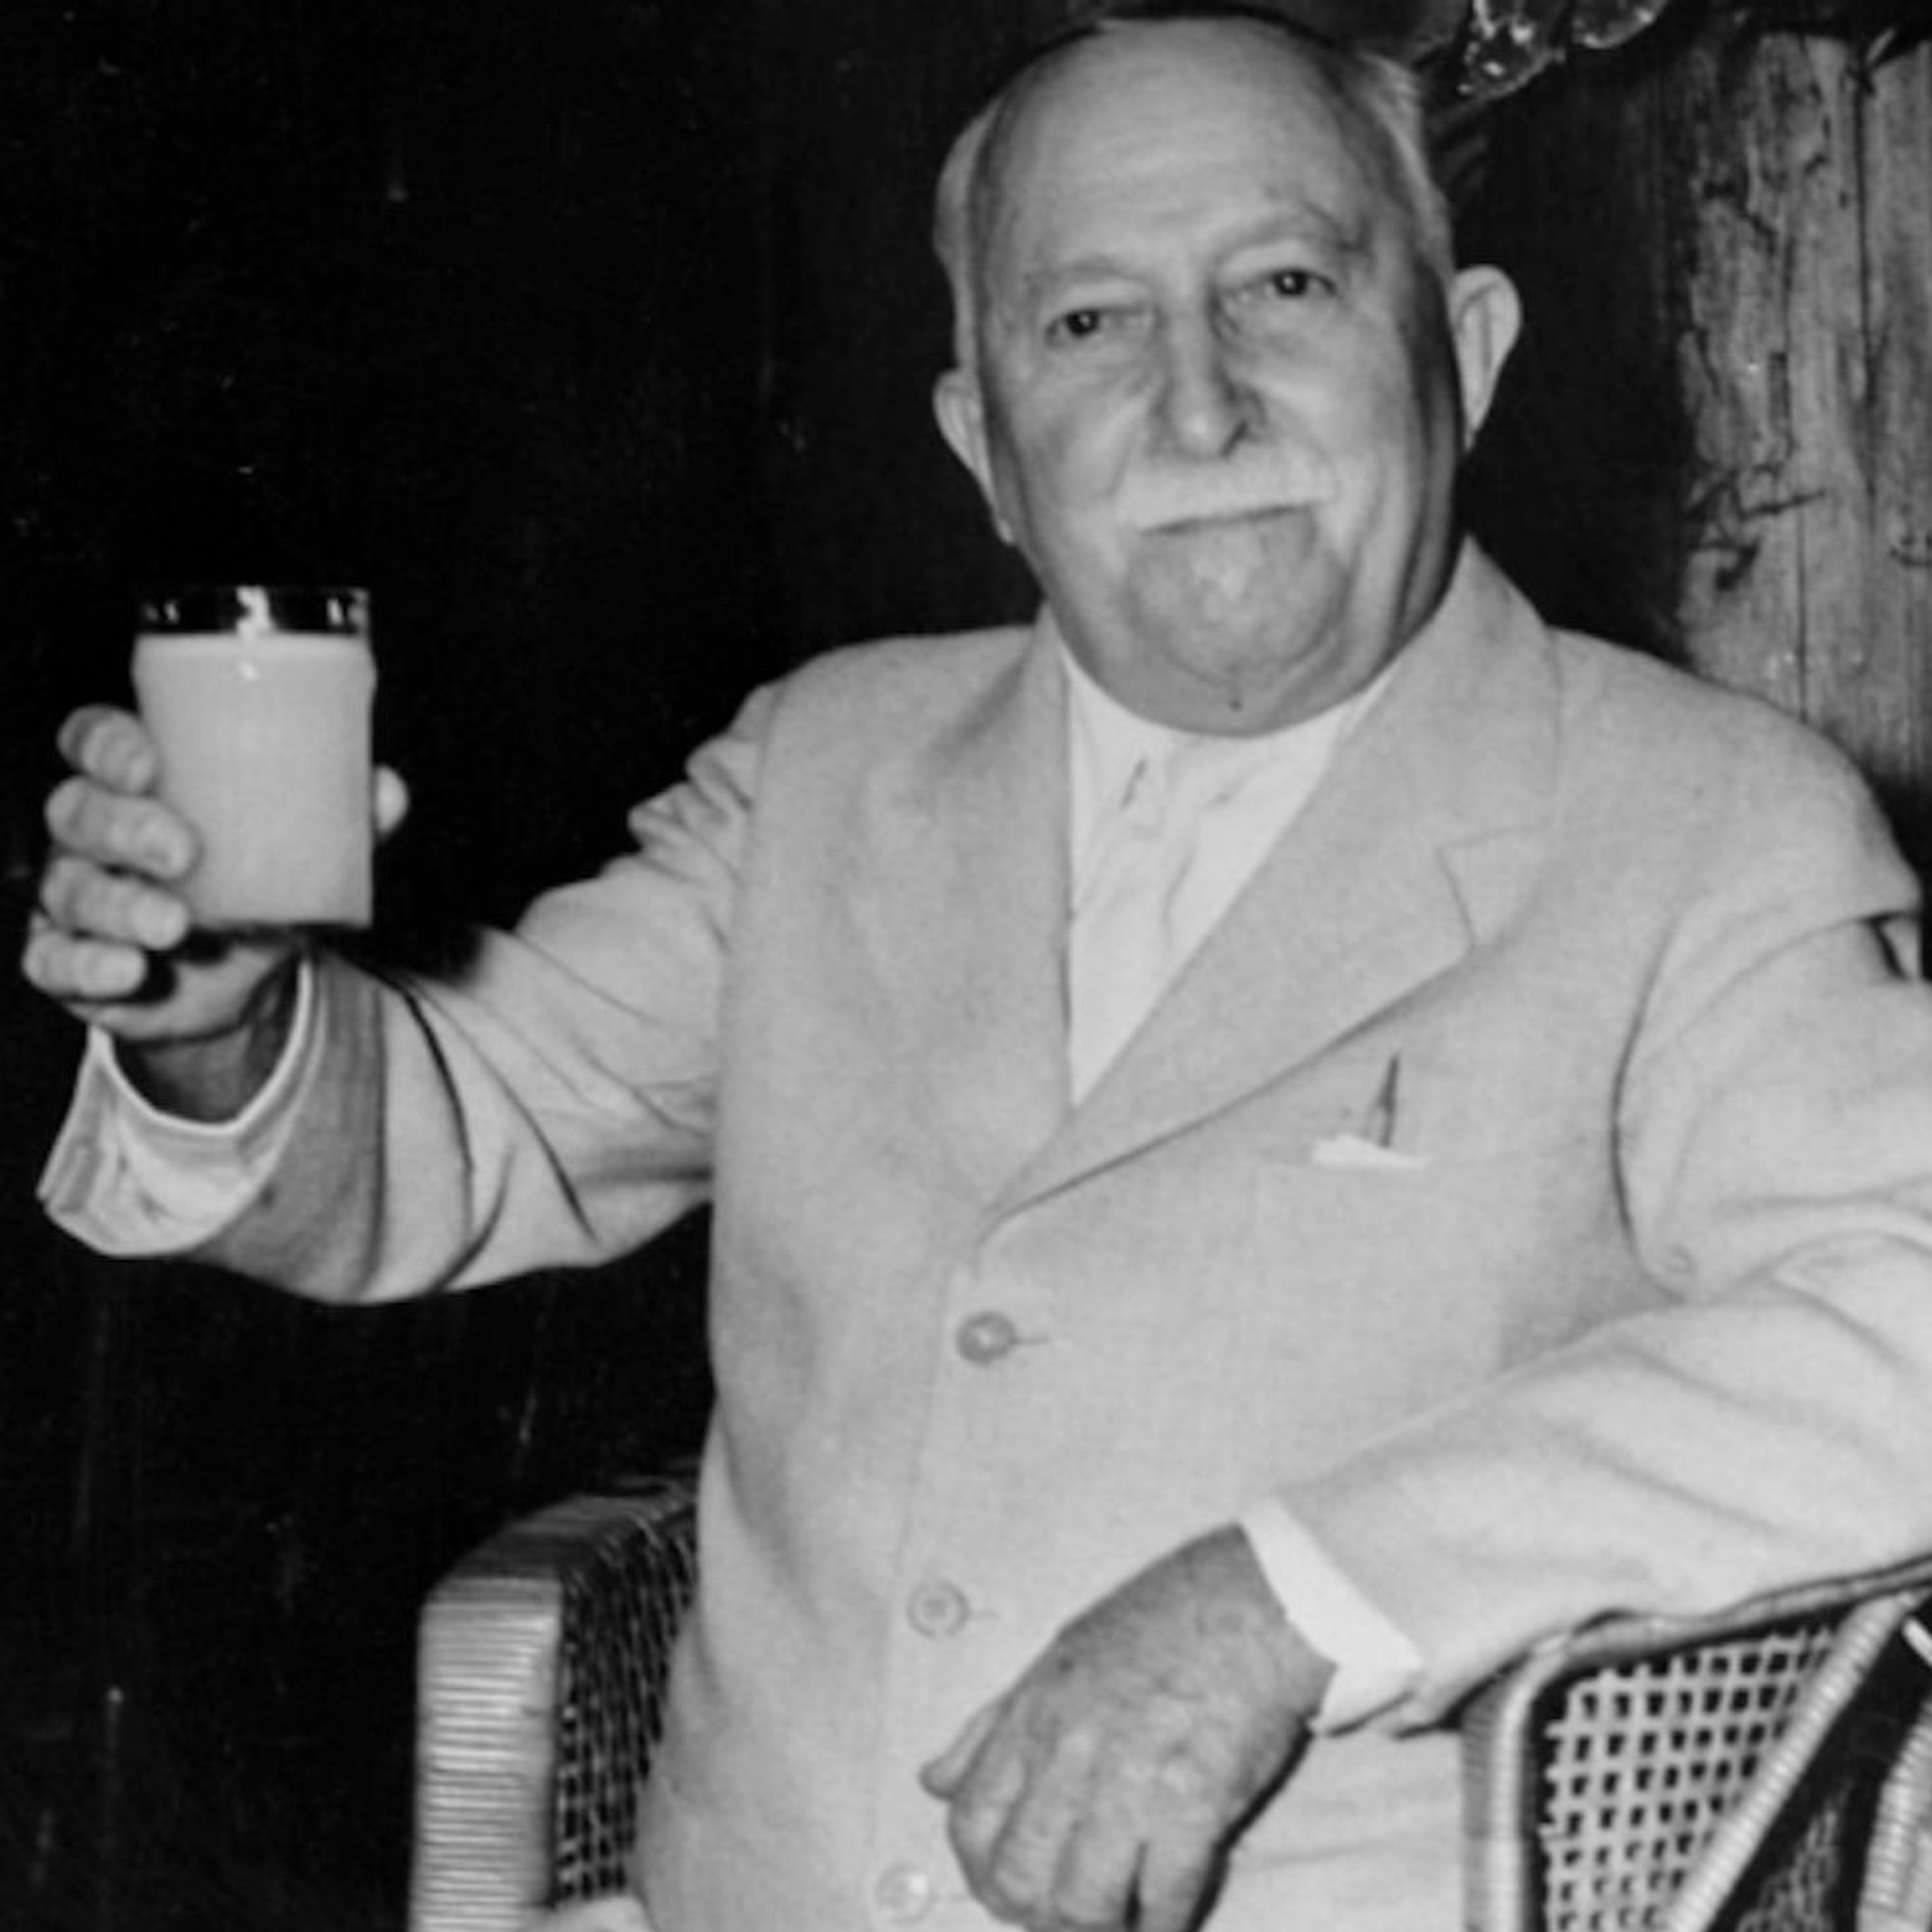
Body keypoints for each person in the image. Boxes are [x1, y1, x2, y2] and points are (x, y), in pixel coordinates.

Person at [23, 7, 1932, 1930]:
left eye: (1284, 285)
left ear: (1470, 350)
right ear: (986, 451)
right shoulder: (829, 767)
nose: (1200, 407)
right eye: (1089, 323)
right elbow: (460, 1128)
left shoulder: (1705, 818)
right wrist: (226, 1031)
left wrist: (1287, 1600)